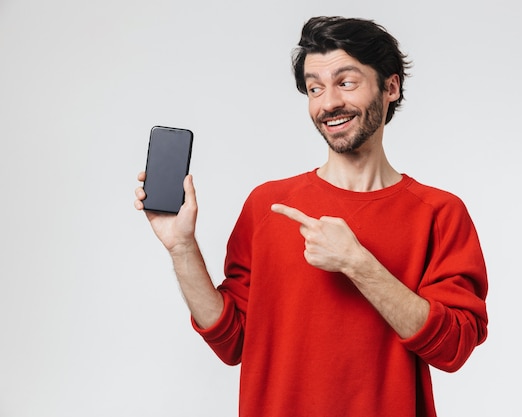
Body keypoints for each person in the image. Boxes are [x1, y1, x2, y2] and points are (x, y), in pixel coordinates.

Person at [134, 16, 488, 417]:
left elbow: (453, 349)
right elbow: (233, 341)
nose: (328, 102)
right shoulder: (269, 204)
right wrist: (182, 247)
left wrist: (358, 264)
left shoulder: (439, 213)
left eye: (346, 82)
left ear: (391, 87)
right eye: (315, 88)